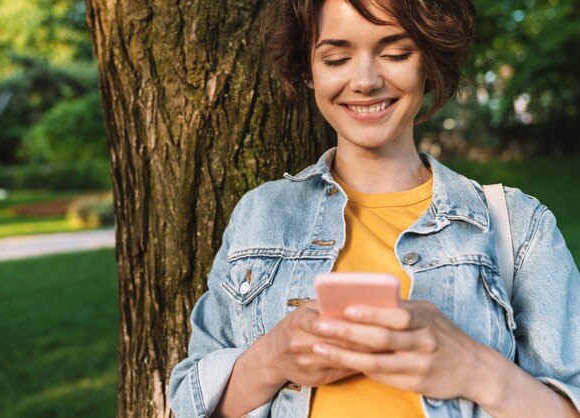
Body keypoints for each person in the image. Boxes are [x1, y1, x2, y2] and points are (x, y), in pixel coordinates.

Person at [169, 0, 580, 416]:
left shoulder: (519, 227)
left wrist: (474, 367)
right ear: (308, 71)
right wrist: (272, 358)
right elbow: (189, 403)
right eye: (336, 58)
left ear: (429, 60)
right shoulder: (260, 214)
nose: (364, 81)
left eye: (396, 53)